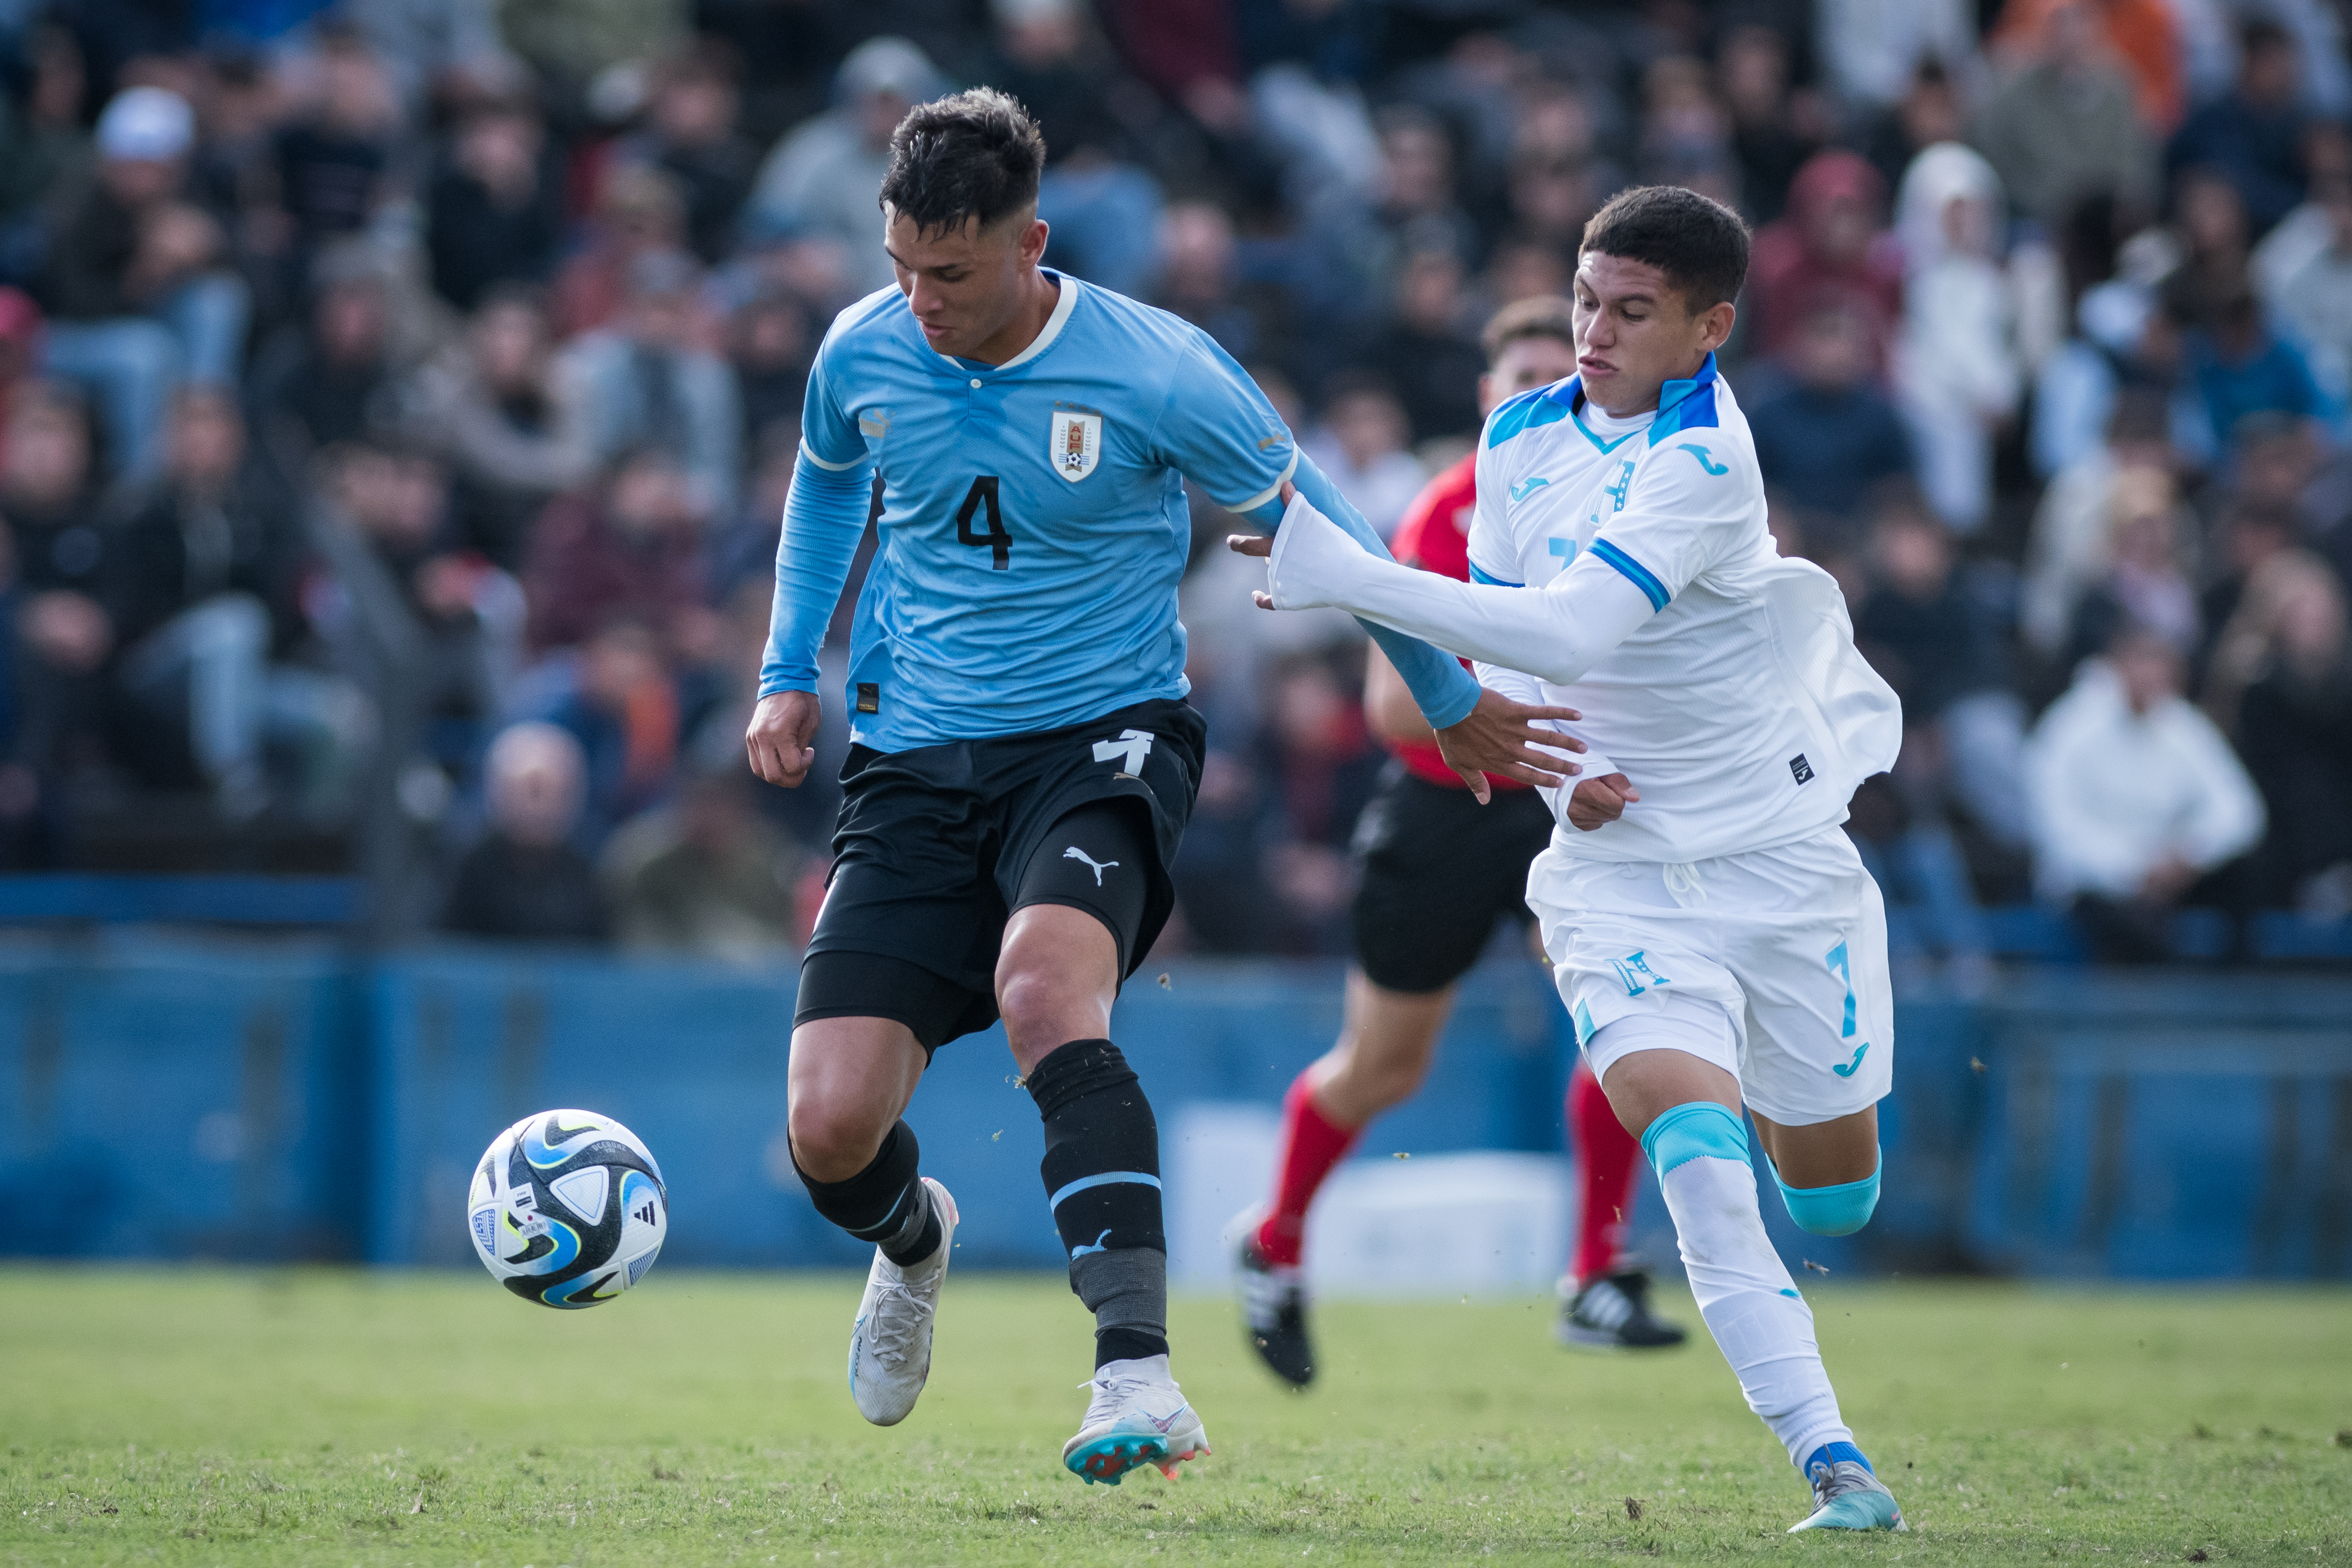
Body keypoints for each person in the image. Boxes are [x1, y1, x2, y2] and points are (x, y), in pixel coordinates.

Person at [743, 89, 1575, 1487]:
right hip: (912, 760)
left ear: (1031, 245)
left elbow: (1324, 524)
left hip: (1101, 741)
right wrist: (786, 670)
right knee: (829, 1130)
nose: (921, 300)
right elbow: (827, 483)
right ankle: (915, 1241)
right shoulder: (863, 347)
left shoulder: (1159, 370)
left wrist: (1447, 701)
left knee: (1041, 994)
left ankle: (1134, 1371)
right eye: (901, 268)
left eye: (951, 273)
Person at [1232, 185, 1911, 1533]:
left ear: (1709, 328)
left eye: (1629, 312)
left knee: (1833, 1199)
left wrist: (1341, 568)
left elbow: (1566, 630)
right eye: (1586, 301)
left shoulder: (1704, 456)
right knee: (1695, 1153)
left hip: (1780, 865)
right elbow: (1508, 659)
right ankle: (1832, 1461)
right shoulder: (1515, 438)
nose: (1592, 332)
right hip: (1614, 872)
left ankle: (1728, 1184)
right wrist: (1556, 767)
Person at [1230, 293, 1682, 1391]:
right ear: (1487, 399)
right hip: (1447, 812)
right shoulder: (1448, 511)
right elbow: (1393, 707)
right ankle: (1275, 1242)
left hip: (1567, 807)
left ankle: (1596, 1272)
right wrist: (1533, 728)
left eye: (1561, 381)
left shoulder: (1638, 500)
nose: (1544, 399)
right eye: (1522, 380)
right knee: (1383, 1066)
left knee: (1628, 1016)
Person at [2024, 624, 2264, 961]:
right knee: (2125, 920)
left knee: (2248, 877)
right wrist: (2135, 868)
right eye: (2143, 661)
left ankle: (2242, 989)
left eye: (2162, 662)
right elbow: (2055, 829)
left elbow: (2240, 811)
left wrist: (2188, 854)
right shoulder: (2069, 729)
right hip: (2098, 884)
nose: (2152, 673)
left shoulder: (2184, 727)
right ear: (2118, 663)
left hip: (2172, 877)